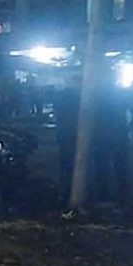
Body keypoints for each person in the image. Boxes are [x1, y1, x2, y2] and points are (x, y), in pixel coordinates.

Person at [92, 71, 130, 202]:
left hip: (102, 134)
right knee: (119, 164)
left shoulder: (96, 94)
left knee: (102, 165)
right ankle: (121, 191)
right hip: (117, 133)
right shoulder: (121, 94)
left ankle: (103, 192)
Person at [54, 74, 81, 202]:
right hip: (72, 133)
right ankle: (70, 189)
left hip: (66, 133)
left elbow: (59, 114)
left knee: (66, 163)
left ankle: (65, 190)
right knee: (71, 162)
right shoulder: (78, 97)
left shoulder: (61, 96)